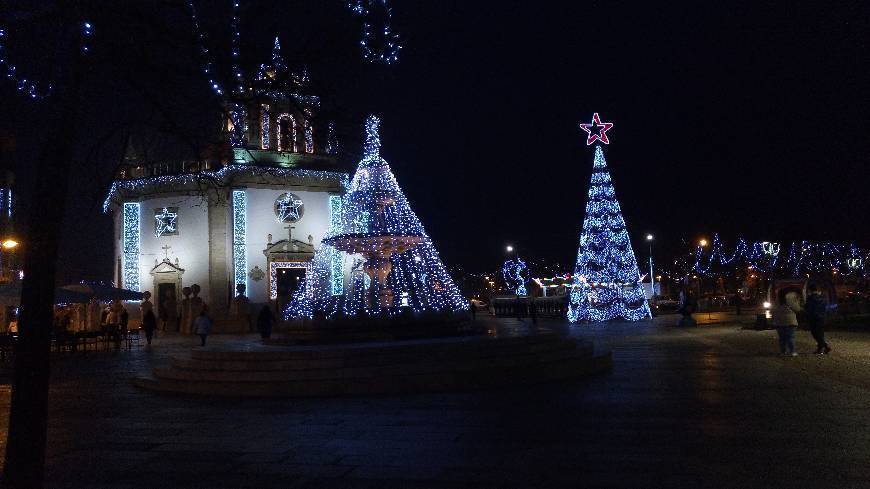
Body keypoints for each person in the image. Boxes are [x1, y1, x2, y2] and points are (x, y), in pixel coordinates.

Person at [771, 290, 801, 356]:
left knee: (782, 338)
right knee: (790, 337)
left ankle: (782, 351)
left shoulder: (775, 302)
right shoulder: (790, 301)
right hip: (790, 322)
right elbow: (798, 309)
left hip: (779, 322)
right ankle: (792, 352)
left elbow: (772, 310)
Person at [804, 284, 830, 355]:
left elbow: (808, 308)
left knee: (815, 334)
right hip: (821, 317)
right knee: (820, 334)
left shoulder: (810, 298)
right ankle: (821, 348)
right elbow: (825, 307)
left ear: (810, 290)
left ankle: (825, 347)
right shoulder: (823, 297)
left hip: (813, 318)